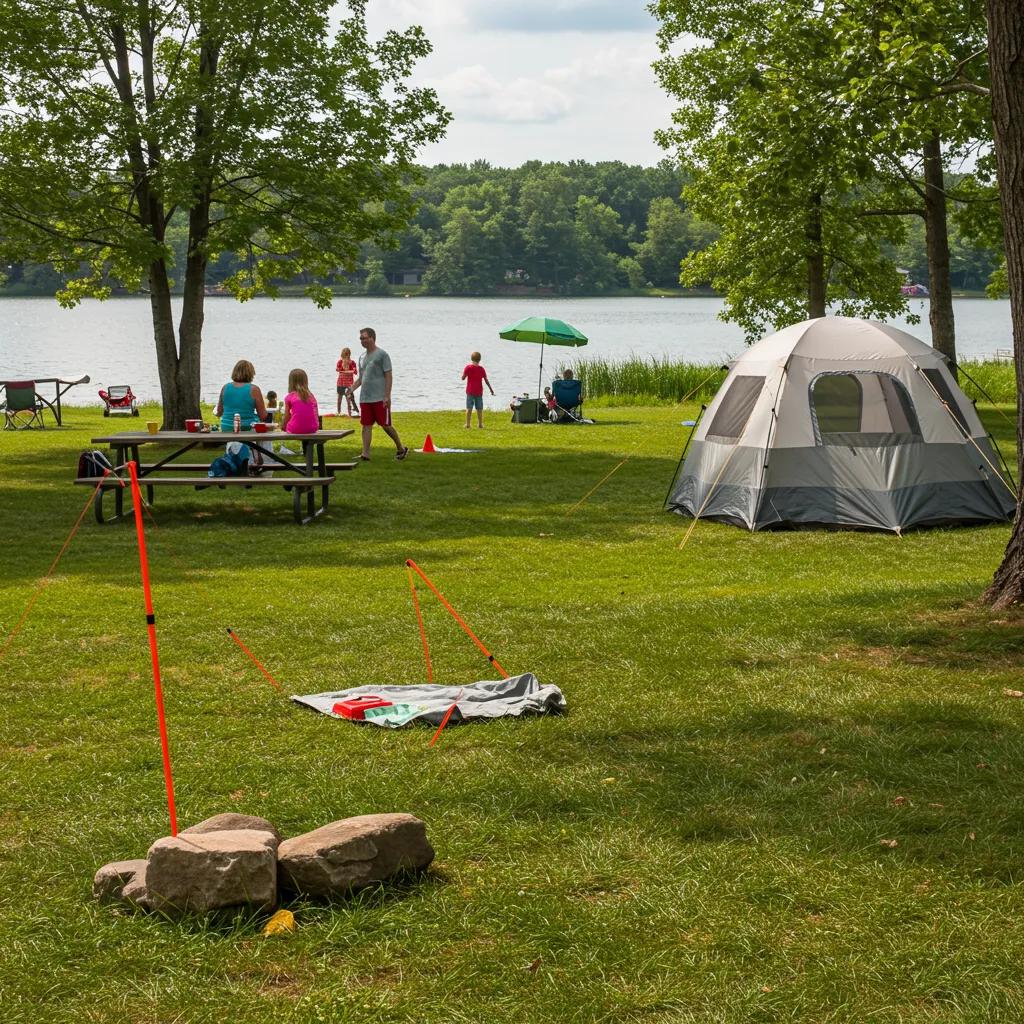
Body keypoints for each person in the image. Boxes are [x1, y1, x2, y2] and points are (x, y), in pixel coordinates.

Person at [351, 326, 408, 461]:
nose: (362, 341)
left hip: (380, 397)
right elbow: (361, 378)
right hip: (365, 398)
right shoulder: (362, 357)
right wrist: (351, 389)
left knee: (386, 425)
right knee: (366, 426)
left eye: (364, 338)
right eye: (360, 339)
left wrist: (387, 395)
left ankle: (401, 448)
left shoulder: (382, 355)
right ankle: (365, 454)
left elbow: (388, 375)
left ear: (372, 338)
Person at [216, 359, 266, 432]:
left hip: (226, 427)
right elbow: (263, 415)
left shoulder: (225, 387)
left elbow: (219, 412)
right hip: (247, 427)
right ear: (251, 373)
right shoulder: (254, 389)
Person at [462, 351, 495, 428]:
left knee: (469, 408)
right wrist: (491, 390)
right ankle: (480, 424)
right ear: (479, 360)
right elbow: (486, 380)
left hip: (470, 391)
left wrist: (464, 375)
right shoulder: (481, 369)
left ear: (471, 359)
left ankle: (468, 424)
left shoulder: (468, 368)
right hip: (479, 392)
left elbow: (463, 378)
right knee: (479, 408)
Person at [282, 368, 320, 434]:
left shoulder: (289, 397)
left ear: (291, 382)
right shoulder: (311, 396)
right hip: (313, 428)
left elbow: (286, 416)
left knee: (291, 424)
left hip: (295, 429)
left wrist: (283, 427)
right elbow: (316, 414)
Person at [336, 346, 359, 416]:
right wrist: (348, 371)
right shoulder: (340, 362)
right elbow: (338, 369)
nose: (346, 357)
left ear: (349, 355)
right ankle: (339, 412)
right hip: (340, 383)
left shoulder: (352, 363)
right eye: (344, 355)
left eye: (347, 355)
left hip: (349, 384)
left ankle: (350, 413)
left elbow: (355, 372)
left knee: (349, 400)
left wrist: (349, 371)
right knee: (339, 399)